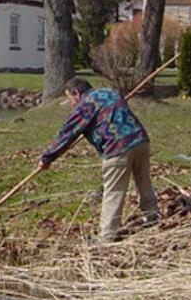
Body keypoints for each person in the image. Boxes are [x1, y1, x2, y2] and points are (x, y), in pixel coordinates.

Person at [38, 77, 160, 242]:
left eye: (70, 99)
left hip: (117, 147)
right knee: (144, 182)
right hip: (140, 139)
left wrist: (47, 157)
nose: (71, 103)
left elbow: (67, 134)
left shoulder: (85, 105)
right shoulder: (110, 92)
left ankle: (107, 236)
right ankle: (153, 218)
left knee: (113, 191)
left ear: (77, 93)